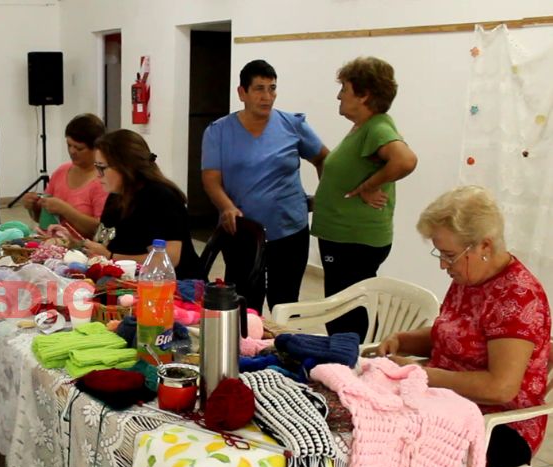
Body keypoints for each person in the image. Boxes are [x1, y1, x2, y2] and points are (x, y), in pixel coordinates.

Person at [377, 186, 550, 467]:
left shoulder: (517, 297)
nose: (444, 265)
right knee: (366, 419)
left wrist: (425, 375)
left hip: (500, 425)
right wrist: (401, 340)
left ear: (485, 246)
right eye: (440, 254)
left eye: (449, 255)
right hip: (450, 401)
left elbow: (501, 388)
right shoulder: (469, 277)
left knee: (391, 446)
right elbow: (450, 335)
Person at [202, 59, 329, 314]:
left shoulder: (292, 125)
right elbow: (211, 180)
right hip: (242, 231)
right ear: (242, 93)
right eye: (259, 89)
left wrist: (324, 197)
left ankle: (282, 349)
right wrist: (226, 207)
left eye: (272, 88)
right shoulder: (219, 132)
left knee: (285, 301)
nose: (267, 96)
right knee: (245, 301)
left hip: (290, 230)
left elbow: (324, 159)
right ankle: (246, 349)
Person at [312, 56, 418, 340]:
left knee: (346, 313)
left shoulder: (378, 128)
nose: (339, 95)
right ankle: (354, 358)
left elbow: (405, 160)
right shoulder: (364, 127)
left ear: (364, 94)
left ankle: (352, 365)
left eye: (344, 89)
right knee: (347, 308)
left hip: (353, 240)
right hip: (345, 236)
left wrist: (370, 185)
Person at [83, 130, 203, 280]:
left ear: (125, 167)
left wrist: (111, 256)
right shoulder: (117, 195)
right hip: (132, 280)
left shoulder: (160, 198)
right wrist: (77, 243)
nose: (98, 174)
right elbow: (104, 241)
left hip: (175, 286)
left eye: (102, 167)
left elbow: (167, 260)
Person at [22, 113, 107, 238]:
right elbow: (44, 219)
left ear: (96, 148)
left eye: (79, 148)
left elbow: (102, 230)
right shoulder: (62, 171)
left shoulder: (103, 181)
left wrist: (65, 210)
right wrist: (33, 207)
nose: (72, 151)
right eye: (69, 145)